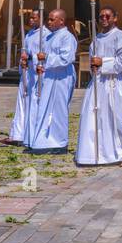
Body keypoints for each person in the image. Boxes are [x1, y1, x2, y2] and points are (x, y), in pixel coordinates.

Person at [76, 7, 122, 166]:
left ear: (115, 18)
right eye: (101, 16)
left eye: (107, 16)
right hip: (97, 82)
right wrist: (94, 66)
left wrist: (103, 62)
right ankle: (95, 153)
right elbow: (92, 60)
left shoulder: (121, 37)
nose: (104, 19)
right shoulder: (97, 38)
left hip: (113, 82)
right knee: (93, 117)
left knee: (116, 118)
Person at [25, 9, 78, 154]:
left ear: (61, 21)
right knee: (45, 107)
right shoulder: (49, 38)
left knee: (58, 110)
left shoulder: (67, 37)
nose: (48, 22)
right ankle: (44, 140)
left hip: (61, 77)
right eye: (48, 19)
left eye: (52, 19)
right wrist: (40, 65)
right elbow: (42, 57)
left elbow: (66, 58)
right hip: (49, 76)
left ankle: (60, 142)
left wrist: (46, 58)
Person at [7, 10, 41, 145]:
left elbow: (44, 55)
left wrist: (31, 58)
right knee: (22, 103)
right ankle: (18, 133)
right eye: (30, 18)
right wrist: (23, 61)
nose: (30, 20)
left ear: (41, 18)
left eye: (34, 18)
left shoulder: (44, 35)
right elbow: (25, 51)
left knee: (33, 103)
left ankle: (31, 133)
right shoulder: (29, 34)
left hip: (36, 74)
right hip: (27, 73)